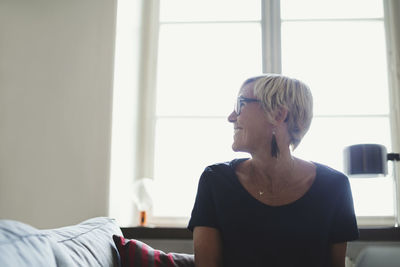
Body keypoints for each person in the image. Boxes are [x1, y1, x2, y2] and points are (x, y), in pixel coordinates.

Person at [187, 74, 359, 267]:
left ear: (278, 115)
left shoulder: (334, 187)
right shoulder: (215, 181)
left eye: (240, 104)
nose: (231, 117)